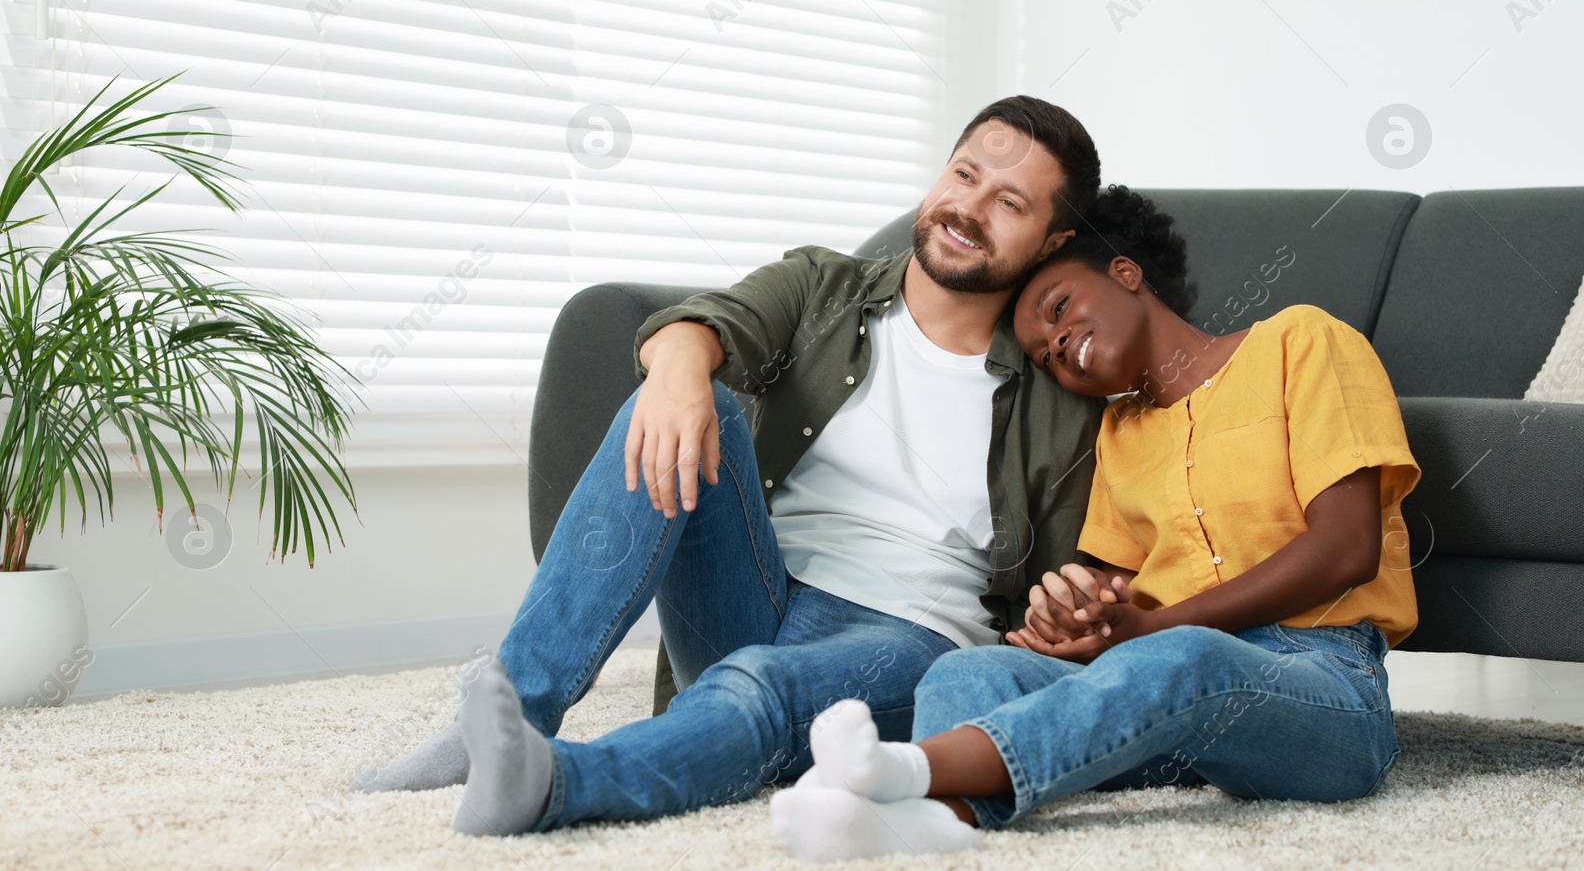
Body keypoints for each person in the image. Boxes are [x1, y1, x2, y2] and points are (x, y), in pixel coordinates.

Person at [349, 96, 1109, 835]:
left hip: (910, 635)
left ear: (1051, 241)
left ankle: (549, 784)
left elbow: (1100, 569)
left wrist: (1077, 605)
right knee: (682, 394)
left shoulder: (1062, 387)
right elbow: (705, 326)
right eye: (965, 174)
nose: (968, 208)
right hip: (755, 588)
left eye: (1010, 202)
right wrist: (681, 364)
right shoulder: (826, 287)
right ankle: (510, 712)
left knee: (759, 687)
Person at [771, 185, 1420, 862]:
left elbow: (1348, 547)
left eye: (1059, 309)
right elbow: (1125, 595)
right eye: (1046, 354)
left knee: (1184, 655)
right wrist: (1080, 618)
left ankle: (909, 775)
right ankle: (943, 820)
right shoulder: (1118, 433)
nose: (1057, 344)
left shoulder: (1301, 341)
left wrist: (1155, 627)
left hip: (1325, 684)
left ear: (1125, 272)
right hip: (1168, 701)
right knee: (969, 674)